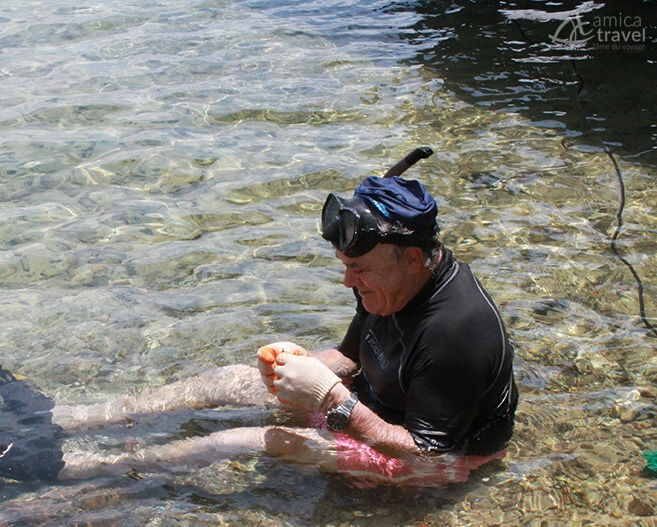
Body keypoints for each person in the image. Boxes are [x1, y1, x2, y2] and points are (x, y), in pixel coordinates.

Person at [55, 175, 518, 487]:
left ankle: (94, 469)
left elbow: (426, 456)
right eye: (344, 267)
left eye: (358, 270)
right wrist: (298, 366)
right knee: (227, 379)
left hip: (436, 460)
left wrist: (333, 400)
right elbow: (352, 356)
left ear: (413, 258)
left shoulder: (457, 331)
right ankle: (74, 420)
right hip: (377, 409)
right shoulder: (389, 282)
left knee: (247, 440)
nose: (347, 283)